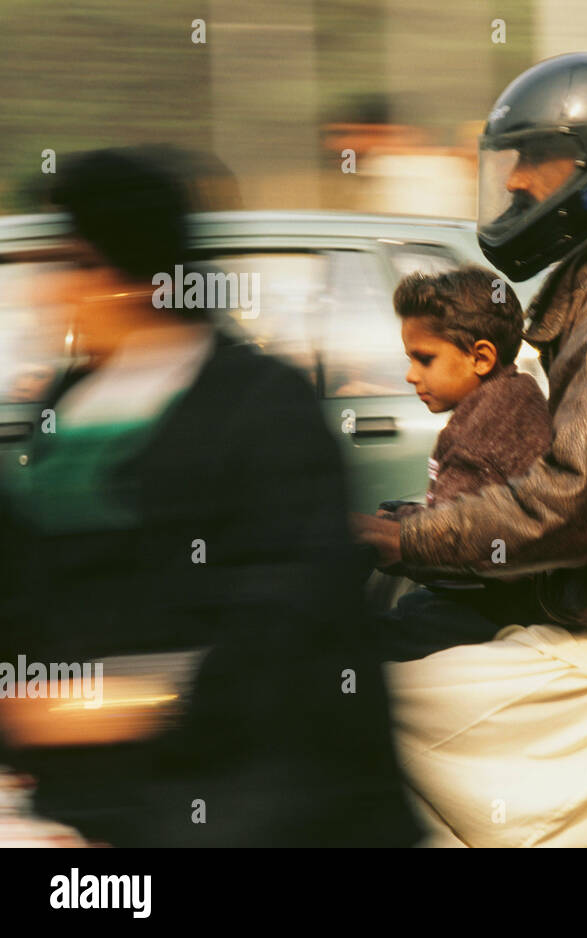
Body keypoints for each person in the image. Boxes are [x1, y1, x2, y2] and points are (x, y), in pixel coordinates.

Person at [352, 53, 587, 847]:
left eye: (534, 156)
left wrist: (410, 539)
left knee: (356, 691)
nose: (518, 179)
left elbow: (578, 505)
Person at [0, 147, 420, 846]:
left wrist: (119, 704)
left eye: (72, 266)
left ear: (132, 279)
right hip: (97, 796)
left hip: (255, 797)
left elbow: (289, 622)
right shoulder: (64, 410)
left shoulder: (261, 406)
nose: (51, 292)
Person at [359, 265, 551, 662]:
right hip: (488, 596)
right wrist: (397, 518)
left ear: (480, 358)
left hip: (489, 607)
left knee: (367, 642)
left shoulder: (486, 430)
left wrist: (389, 538)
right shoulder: (512, 395)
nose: (411, 375)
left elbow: (453, 542)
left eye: (424, 359)